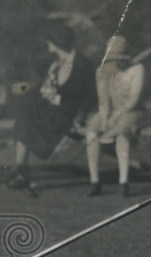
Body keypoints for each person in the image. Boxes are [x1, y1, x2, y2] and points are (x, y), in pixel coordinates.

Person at [7, 22, 96, 189]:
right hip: (49, 109)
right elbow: (42, 87)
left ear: (58, 43)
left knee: (28, 118)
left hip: (66, 113)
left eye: (50, 41)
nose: (47, 45)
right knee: (25, 113)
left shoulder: (82, 64)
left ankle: (21, 170)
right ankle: (20, 167)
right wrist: (22, 87)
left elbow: (90, 94)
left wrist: (82, 118)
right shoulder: (56, 64)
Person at [84, 35, 145, 197]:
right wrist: (104, 119)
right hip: (111, 110)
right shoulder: (102, 71)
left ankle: (124, 181)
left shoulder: (137, 69)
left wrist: (115, 117)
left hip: (132, 111)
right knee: (92, 130)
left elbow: (133, 100)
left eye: (118, 59)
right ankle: (94, 181)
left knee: (122, 132)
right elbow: (103, 102)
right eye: (111, 59)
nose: (115, 63)